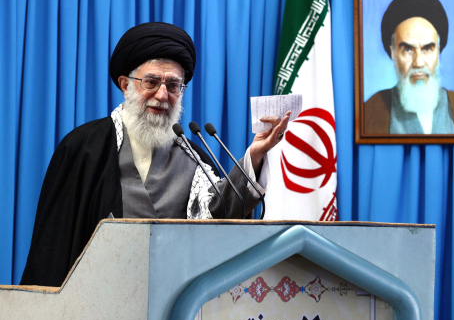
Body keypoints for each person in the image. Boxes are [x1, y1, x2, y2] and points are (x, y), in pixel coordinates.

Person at [21, 22, 290, 287]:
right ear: (125, 84)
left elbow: (221, 215)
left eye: (173, 86)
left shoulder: (194, 157)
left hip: (175, 301)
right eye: (151, 82)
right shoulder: (82, 148)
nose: (162, 95)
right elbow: (52, 250)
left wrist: (254, 155)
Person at [364, 0, 454, 135]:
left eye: (427, 49)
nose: (419, 63)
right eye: (408, 50)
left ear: (438, 52)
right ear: (393, 53)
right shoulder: (369, 112)